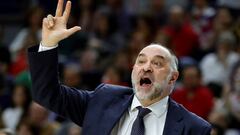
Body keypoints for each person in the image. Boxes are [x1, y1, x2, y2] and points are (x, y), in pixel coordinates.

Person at [27, 0, 211, 134]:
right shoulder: (103, 99)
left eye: (157, 63)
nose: (146, 67)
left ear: (173, 77)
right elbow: (46, 94)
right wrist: (48, 44)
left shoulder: (194, 128)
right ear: (133, 70)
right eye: (141, 61)